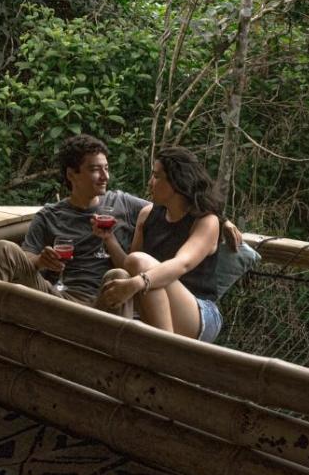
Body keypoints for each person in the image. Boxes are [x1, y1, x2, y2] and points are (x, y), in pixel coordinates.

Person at [0, 134, 147, 304]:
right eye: (95, 169)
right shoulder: (49, 216)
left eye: (106, 168)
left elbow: (160, 210)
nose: (105, 176)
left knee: (119, 275)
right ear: (71, 174)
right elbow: (25, 259)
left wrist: (141, 222)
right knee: (4, 248)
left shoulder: (122, 202)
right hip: (58, 301)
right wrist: (40, 261)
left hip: (106, 304)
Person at [95, 146, 226, 341]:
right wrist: (108, 239)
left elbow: (182, 263)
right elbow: (129, 266)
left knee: (140, 262)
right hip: (154, 306)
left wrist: (137, 283)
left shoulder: (206, 221)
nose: (150, 183)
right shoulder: (147, 214)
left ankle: (166, 351)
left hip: (199, 312)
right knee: (119, 275)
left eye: (156, 176)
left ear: (177, 181)